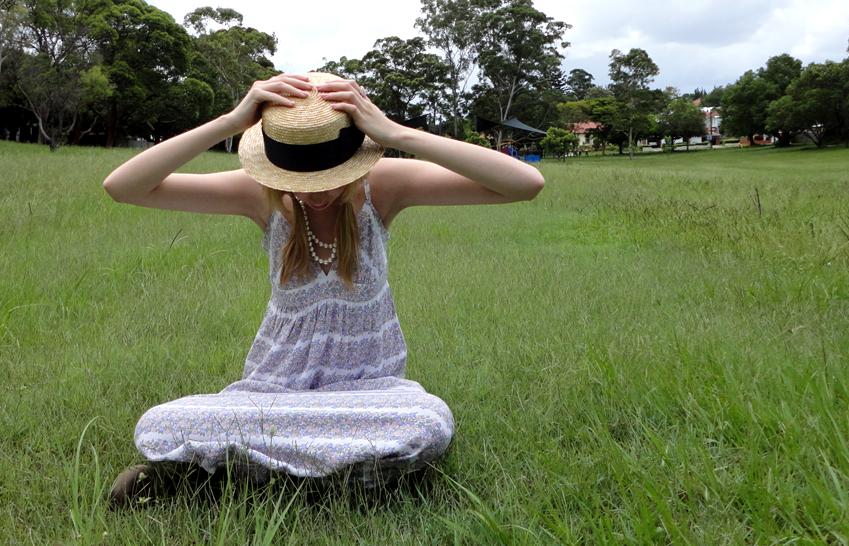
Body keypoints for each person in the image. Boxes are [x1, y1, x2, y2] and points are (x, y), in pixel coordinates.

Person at [102, 72, 544, 506]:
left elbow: (525, 184)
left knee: (425, 420)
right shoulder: (258, 193)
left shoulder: (383, 188)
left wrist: (397, 133)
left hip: (370, 392)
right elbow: (122, 187)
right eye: (298, 178)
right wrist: (230, 123)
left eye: (329, 175)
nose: (314, 194)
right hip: (273, 391)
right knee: (160, 424)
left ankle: (232, 472)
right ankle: (346, 476)